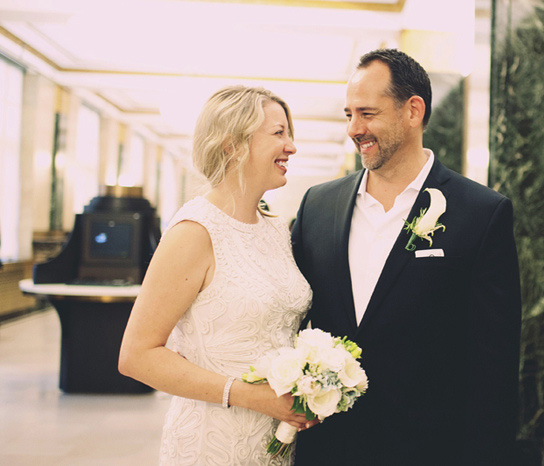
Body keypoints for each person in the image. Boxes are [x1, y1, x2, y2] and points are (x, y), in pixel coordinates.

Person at [291, 49, 522, 465]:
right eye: (348, 115)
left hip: (428, 448)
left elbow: (494, 363)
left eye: (367, 113)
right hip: (327, 448)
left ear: (413, 110)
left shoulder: (480, 212)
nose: (354, 129)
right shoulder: (317, 207)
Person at [119, 85, 317, 465]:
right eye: (279, 133)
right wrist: (250, 396)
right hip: (213, 441)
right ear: (232, 145)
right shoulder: (194, 231)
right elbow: (136, 356)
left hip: (275, 441)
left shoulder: (275, 229)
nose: (291, 146)